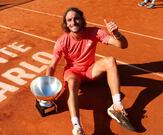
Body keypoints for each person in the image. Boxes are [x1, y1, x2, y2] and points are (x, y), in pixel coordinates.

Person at [46, 7, 134, 135]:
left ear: (82, 20)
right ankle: (77, 127)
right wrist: (46, 83)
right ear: (66, 24)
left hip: (90, 71)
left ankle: (116, 106)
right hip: (73, 73)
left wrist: (116, 33)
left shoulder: (95, 32)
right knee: (72, 84)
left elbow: (123, 45)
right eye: (69, 20)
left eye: (76, 18)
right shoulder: (61, 41)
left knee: (110, 61)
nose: (73, 22)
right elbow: (52, 65)